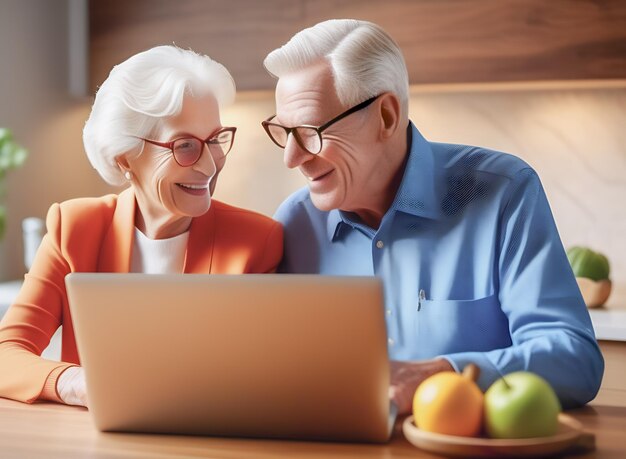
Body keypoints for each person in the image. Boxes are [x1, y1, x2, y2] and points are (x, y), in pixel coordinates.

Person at [262, 19, 603, 414]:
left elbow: (575, 359)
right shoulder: (294, 225)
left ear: (386, 116)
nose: (292, 158)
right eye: (282, 133)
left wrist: (445, 373)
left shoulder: (503, 193)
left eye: (308, 131)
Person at [0, 46, 282, 407]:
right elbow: (8, 351)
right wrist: (75, 382)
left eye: (215, 140)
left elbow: (263, 381)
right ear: (125, 157)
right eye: (185, 146)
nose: (211, 165)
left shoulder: (258, 242)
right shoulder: (74, 228)